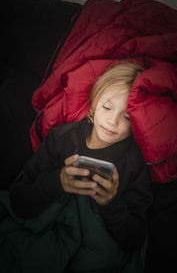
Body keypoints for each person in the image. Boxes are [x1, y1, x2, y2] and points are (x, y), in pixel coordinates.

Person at [10, 61, 152, 252]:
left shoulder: (134, 163)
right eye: (107, 107)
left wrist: (111, 204)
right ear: (94, 103)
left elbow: (134, 239)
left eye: (127, 117)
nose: (113, 121)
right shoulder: (61, 138)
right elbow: (18, 201)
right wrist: (57, 182)